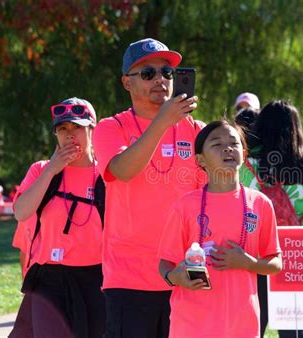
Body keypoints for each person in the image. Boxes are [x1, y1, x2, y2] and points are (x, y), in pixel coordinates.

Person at [92, 38, 206, 338]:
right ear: (126, 83)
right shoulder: (110, 127)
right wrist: (163, 122)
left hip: (184, 276)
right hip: (129, 280)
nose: (160, 79)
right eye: (147, 73)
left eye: (167, 73)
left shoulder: (197, 131)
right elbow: (122, 171)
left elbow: (210, 199)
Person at [158, 120, 282, 337]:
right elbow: (164, 265)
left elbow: (276, 263)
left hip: (241, 324)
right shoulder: (184, 206)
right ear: (200, 160)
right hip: (191, 325)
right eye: (216, 144)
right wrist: (175, 277)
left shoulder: (261, 204)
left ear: (243, 154)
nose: (227, 149)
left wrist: (248, 262)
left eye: (234, 144)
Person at [240, 100, 303, 338]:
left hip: (256, 249)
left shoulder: (243, 163)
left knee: (254, 320)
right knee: (294, 324)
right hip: (302, 250)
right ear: (297, 128)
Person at [10, 97, 105, 338]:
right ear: (56, 135)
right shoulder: (41, 170)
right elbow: (21, 211)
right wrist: (52, 168)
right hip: (49, 280)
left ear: (92, 129)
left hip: (96, 279)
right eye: (63, 129)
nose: (70, 135)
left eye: (77, 128)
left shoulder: (106, 174)